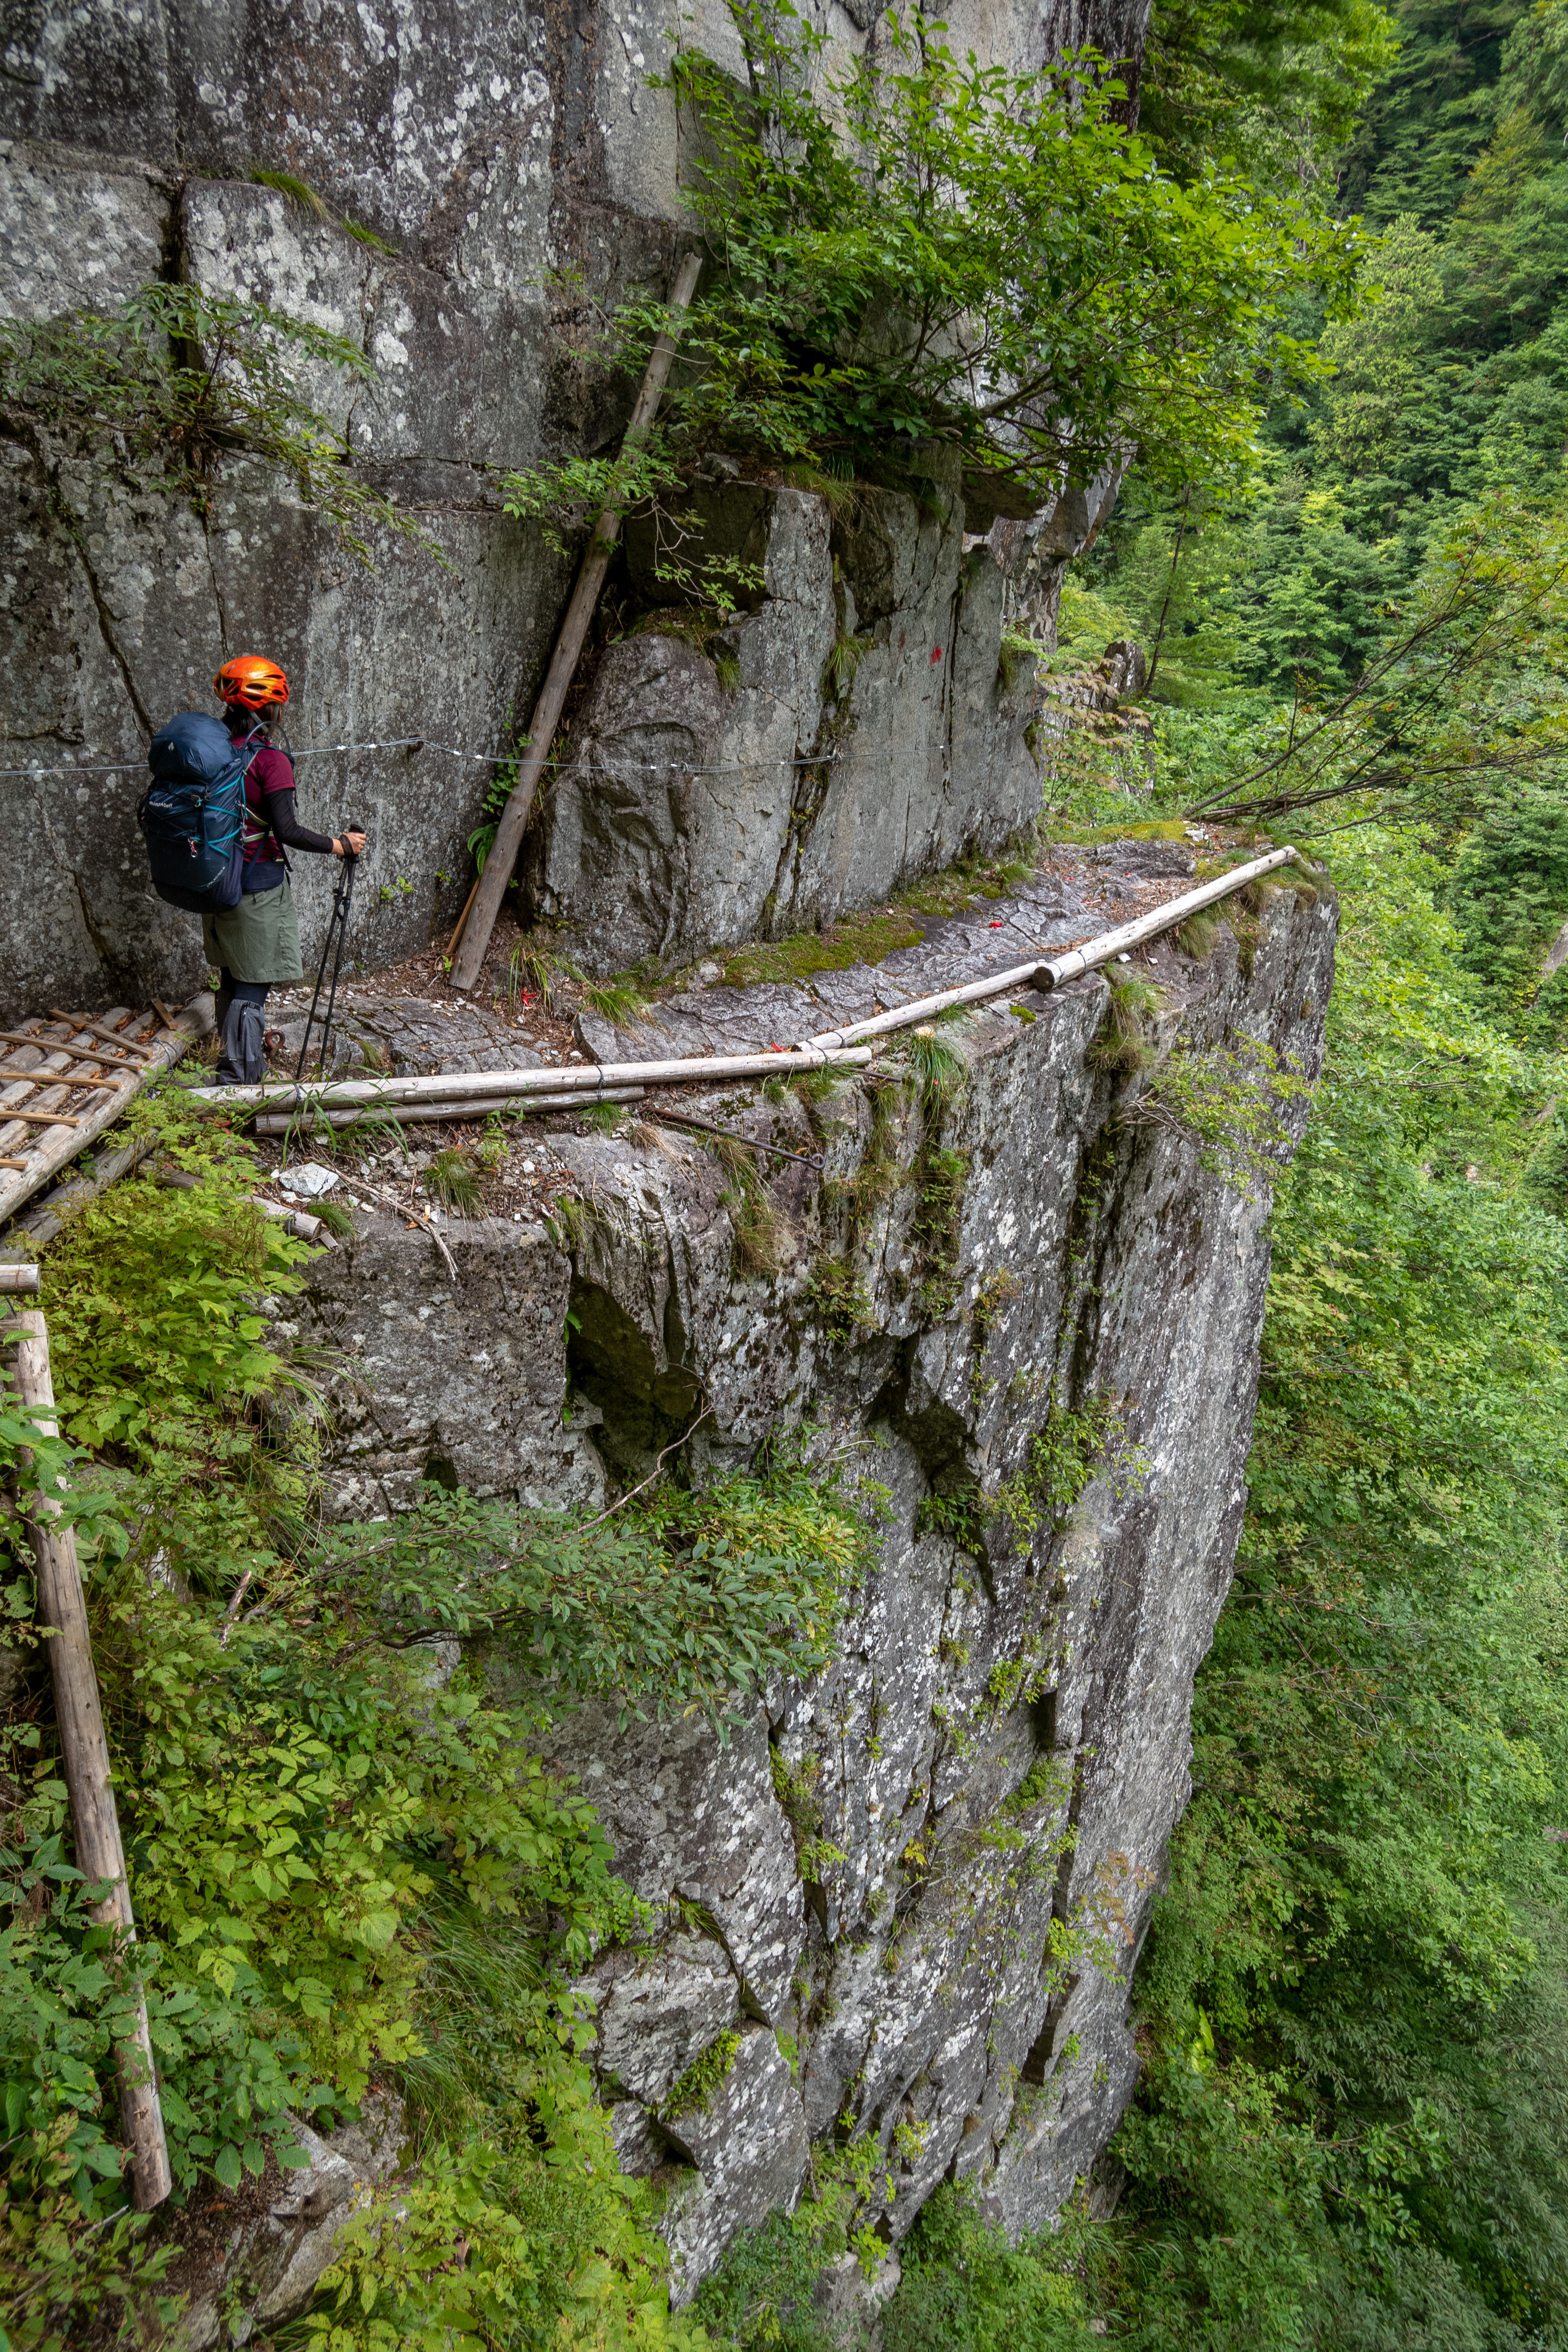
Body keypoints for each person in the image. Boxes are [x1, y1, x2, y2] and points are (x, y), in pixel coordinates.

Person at [204, 656, 367, 1085]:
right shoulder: (270, 760)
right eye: (279, 705)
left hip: (216, 881)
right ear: (269, 708)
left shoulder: (214, 752)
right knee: (253, 983)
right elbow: (288, 830)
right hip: (257, 886)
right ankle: (240, 1078)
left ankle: (232, 1060)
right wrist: (340, 845)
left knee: (232, 974)